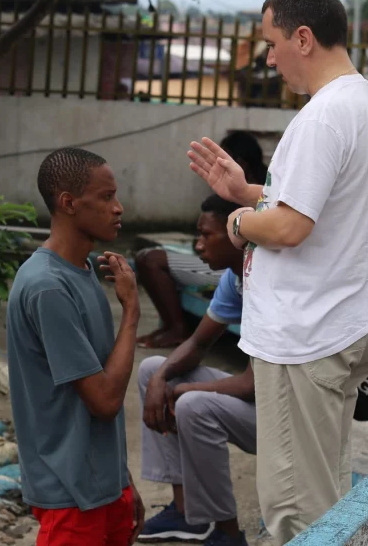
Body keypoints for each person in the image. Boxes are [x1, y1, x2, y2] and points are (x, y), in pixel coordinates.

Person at [187, 0, 368, 542]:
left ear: (303, 37)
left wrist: (235, 223)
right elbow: (309, 207)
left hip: (308, 334)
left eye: (272, 42)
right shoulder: (362, 101)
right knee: (325, 494)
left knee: (297, 513)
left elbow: (289, 226)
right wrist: (246, 190)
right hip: (339, 322)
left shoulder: (324, 115)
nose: (269, 57)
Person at [6, 147, 146, 546]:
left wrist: (122, 480)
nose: (118, 208)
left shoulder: (82, 271)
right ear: (68, 203)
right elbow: (103, 400)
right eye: (106, 197)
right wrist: (131, 311)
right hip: (70, 497)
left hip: (103, 485)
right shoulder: (47, 287)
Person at [136, 194, 254, 546]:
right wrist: (161, 379)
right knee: (153, 369)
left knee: (193, 404)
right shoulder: (235, 280)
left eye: (207, 236)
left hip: (289, 417)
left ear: (238, 236)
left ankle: (227, 533)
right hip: (262, 402)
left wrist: (186, 391)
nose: (198, 246)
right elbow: (198, 343)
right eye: (197, 236)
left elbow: (252, 384)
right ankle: (188, 513)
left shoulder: (268, 285)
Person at [135, 132, 268, 349]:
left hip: (232, 269)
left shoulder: (258, 195)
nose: (218, 163)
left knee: (151, 260)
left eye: (225, 156)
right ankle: (173, 328)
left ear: (241, 162)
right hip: (229, 270)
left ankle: (176, 329)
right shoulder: (241, 188)